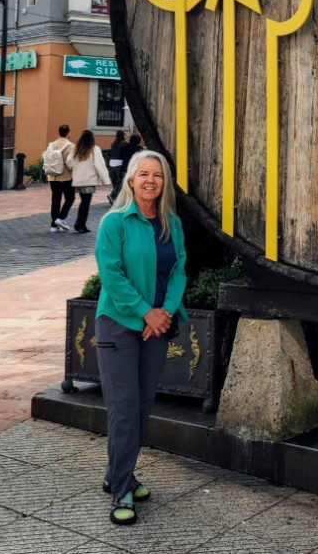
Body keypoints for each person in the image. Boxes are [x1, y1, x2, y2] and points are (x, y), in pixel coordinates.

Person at [94, 150, 187, 526]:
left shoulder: (172, 224)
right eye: (143, 174)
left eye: (158, 175)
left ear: (164, 182)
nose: (150, 180)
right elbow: (111, 276)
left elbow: (179, 269)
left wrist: (163, 312)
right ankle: (121, 489)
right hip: (119, 323)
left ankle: (119, 472)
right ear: (130, 180)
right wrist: (144, 311)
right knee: (124, 407)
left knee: (142, 405)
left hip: (157, 326)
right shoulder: (113, 223)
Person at [66, 129, 111, 234]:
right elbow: (99, 165)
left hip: (78, 180)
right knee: (86, 203)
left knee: (83, 202)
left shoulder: (76, 150)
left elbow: (69, 163)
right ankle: (81, 224)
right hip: (89, 180)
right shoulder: (94, 149)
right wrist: (106, 180)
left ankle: (80, 222)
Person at [45, 124, 76, 233]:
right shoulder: (71, 146)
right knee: (70, 198)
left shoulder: (51, 145)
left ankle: (54, 225)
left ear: (59, 133)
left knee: (55, 200)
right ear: (68, 133)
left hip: (53, 176)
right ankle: (61, 218)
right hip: (66, 177)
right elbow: (71, 164)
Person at [106, 130, 133, 203]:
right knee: (121, 181)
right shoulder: (124, 143)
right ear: (123, 135)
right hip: (119, 164)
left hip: (112, 164)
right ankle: (113, 195)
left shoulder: (113, 144)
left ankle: (116, 197)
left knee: (115, 182)